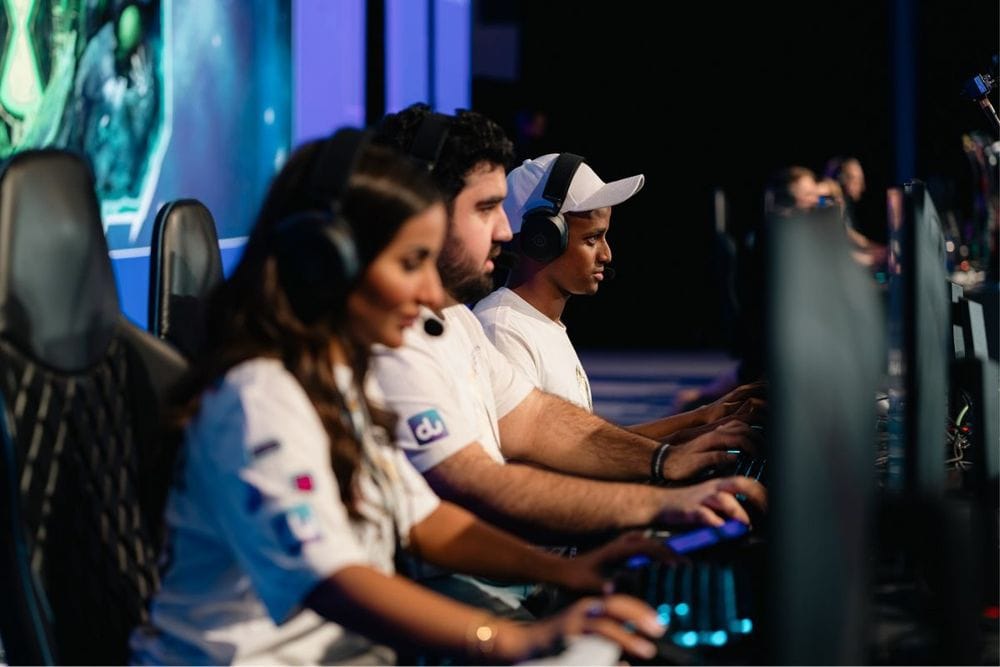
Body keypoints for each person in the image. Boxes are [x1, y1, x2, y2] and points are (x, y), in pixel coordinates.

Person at [129, 131, 673, 665]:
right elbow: (332, 579)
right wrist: (512, 640)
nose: (432, 293)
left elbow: (425, 521)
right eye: (412, 264)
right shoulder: (259, 398)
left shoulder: (341, 382)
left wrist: (565, 571)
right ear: (329, 262)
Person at [370, 104, 765, 545]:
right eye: (485, 209)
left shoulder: (458, 322)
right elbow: (483, 483)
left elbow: (541, 423)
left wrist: (672, 453)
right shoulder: (455, 331)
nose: (505, 231)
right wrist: (657, 499)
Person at [473, 153, 764, 441]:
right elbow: (552, 458)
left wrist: (703, 421)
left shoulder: (539, 325)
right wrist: (686, 440)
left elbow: (585, 446)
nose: (607, 254)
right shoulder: (502, 329)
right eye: (592, 239)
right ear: (541, 240)